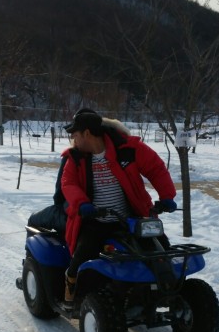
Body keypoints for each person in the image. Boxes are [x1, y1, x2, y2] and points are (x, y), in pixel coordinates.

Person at [61, 109, 177, 302]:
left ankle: (166, 290)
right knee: (83, 254)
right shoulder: (76, 158)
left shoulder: (128, 149)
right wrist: (82, 203)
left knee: (160, 249)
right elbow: (69, 183)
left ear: (87, 134)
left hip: (132, 218)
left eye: (75, 134)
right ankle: (71, 282)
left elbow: (155, 168)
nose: (72, 139)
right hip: (96, 220)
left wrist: (166, 196)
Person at [26, 156, 68, 236]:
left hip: (72, 216)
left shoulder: (72, 156)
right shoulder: (98, 155)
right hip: (95, 213)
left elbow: (59, 194)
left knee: (33, 221)